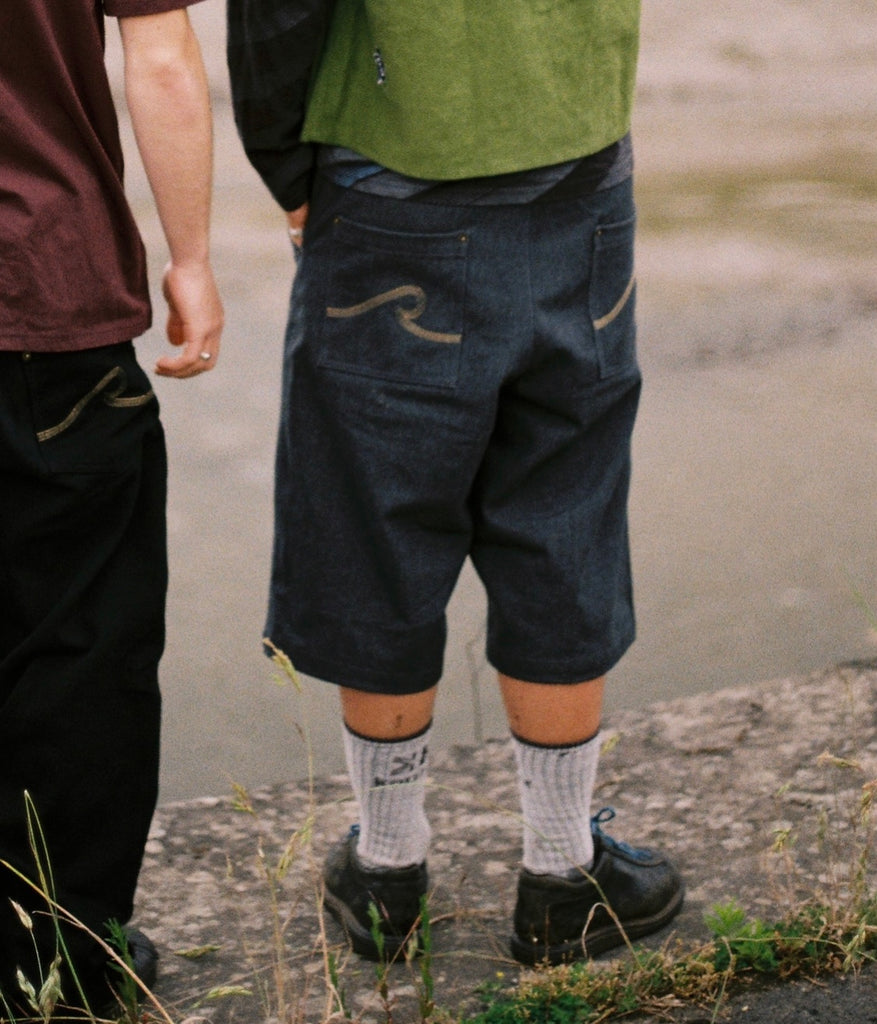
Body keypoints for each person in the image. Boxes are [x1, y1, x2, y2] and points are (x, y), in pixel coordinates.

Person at [228, 0, 683, 966]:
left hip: (392, 176)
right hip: (579, 154)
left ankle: (389, 870)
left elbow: (277, 14)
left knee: (375, 516)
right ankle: (563, 876)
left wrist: (283, 165)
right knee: (566, 508)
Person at [0, 0, 222, 1013]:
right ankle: (57, 958)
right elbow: (163, 53)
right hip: (48, 289)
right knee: (82, 644)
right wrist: (191, 257)